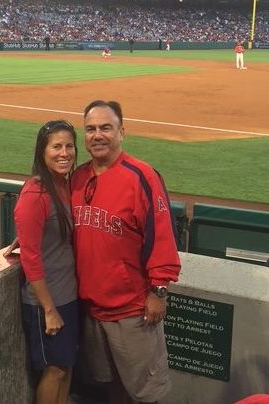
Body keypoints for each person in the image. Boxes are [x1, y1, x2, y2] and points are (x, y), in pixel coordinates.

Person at [71, 100, 181, 404]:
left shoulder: (142, 177)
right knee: (110, 385)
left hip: (134, 309)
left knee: (146, 393)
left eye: (106, 127)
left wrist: (158, 291)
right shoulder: (78, 177)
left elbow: (162, 236)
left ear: (122, 132)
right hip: (92, 307)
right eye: (91, 129)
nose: (98, 135)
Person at [5, 120, 79, 404]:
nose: (64, 153)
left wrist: (22, 236)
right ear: (42, 151)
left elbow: (38, 235)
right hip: (46, 300)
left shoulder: (63, 185)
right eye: (56, 147)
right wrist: (48, 308)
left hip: (68, 294)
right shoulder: (36, 192)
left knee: (66, 365)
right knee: (54, 369)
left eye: (69, 146)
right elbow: (32, 258)